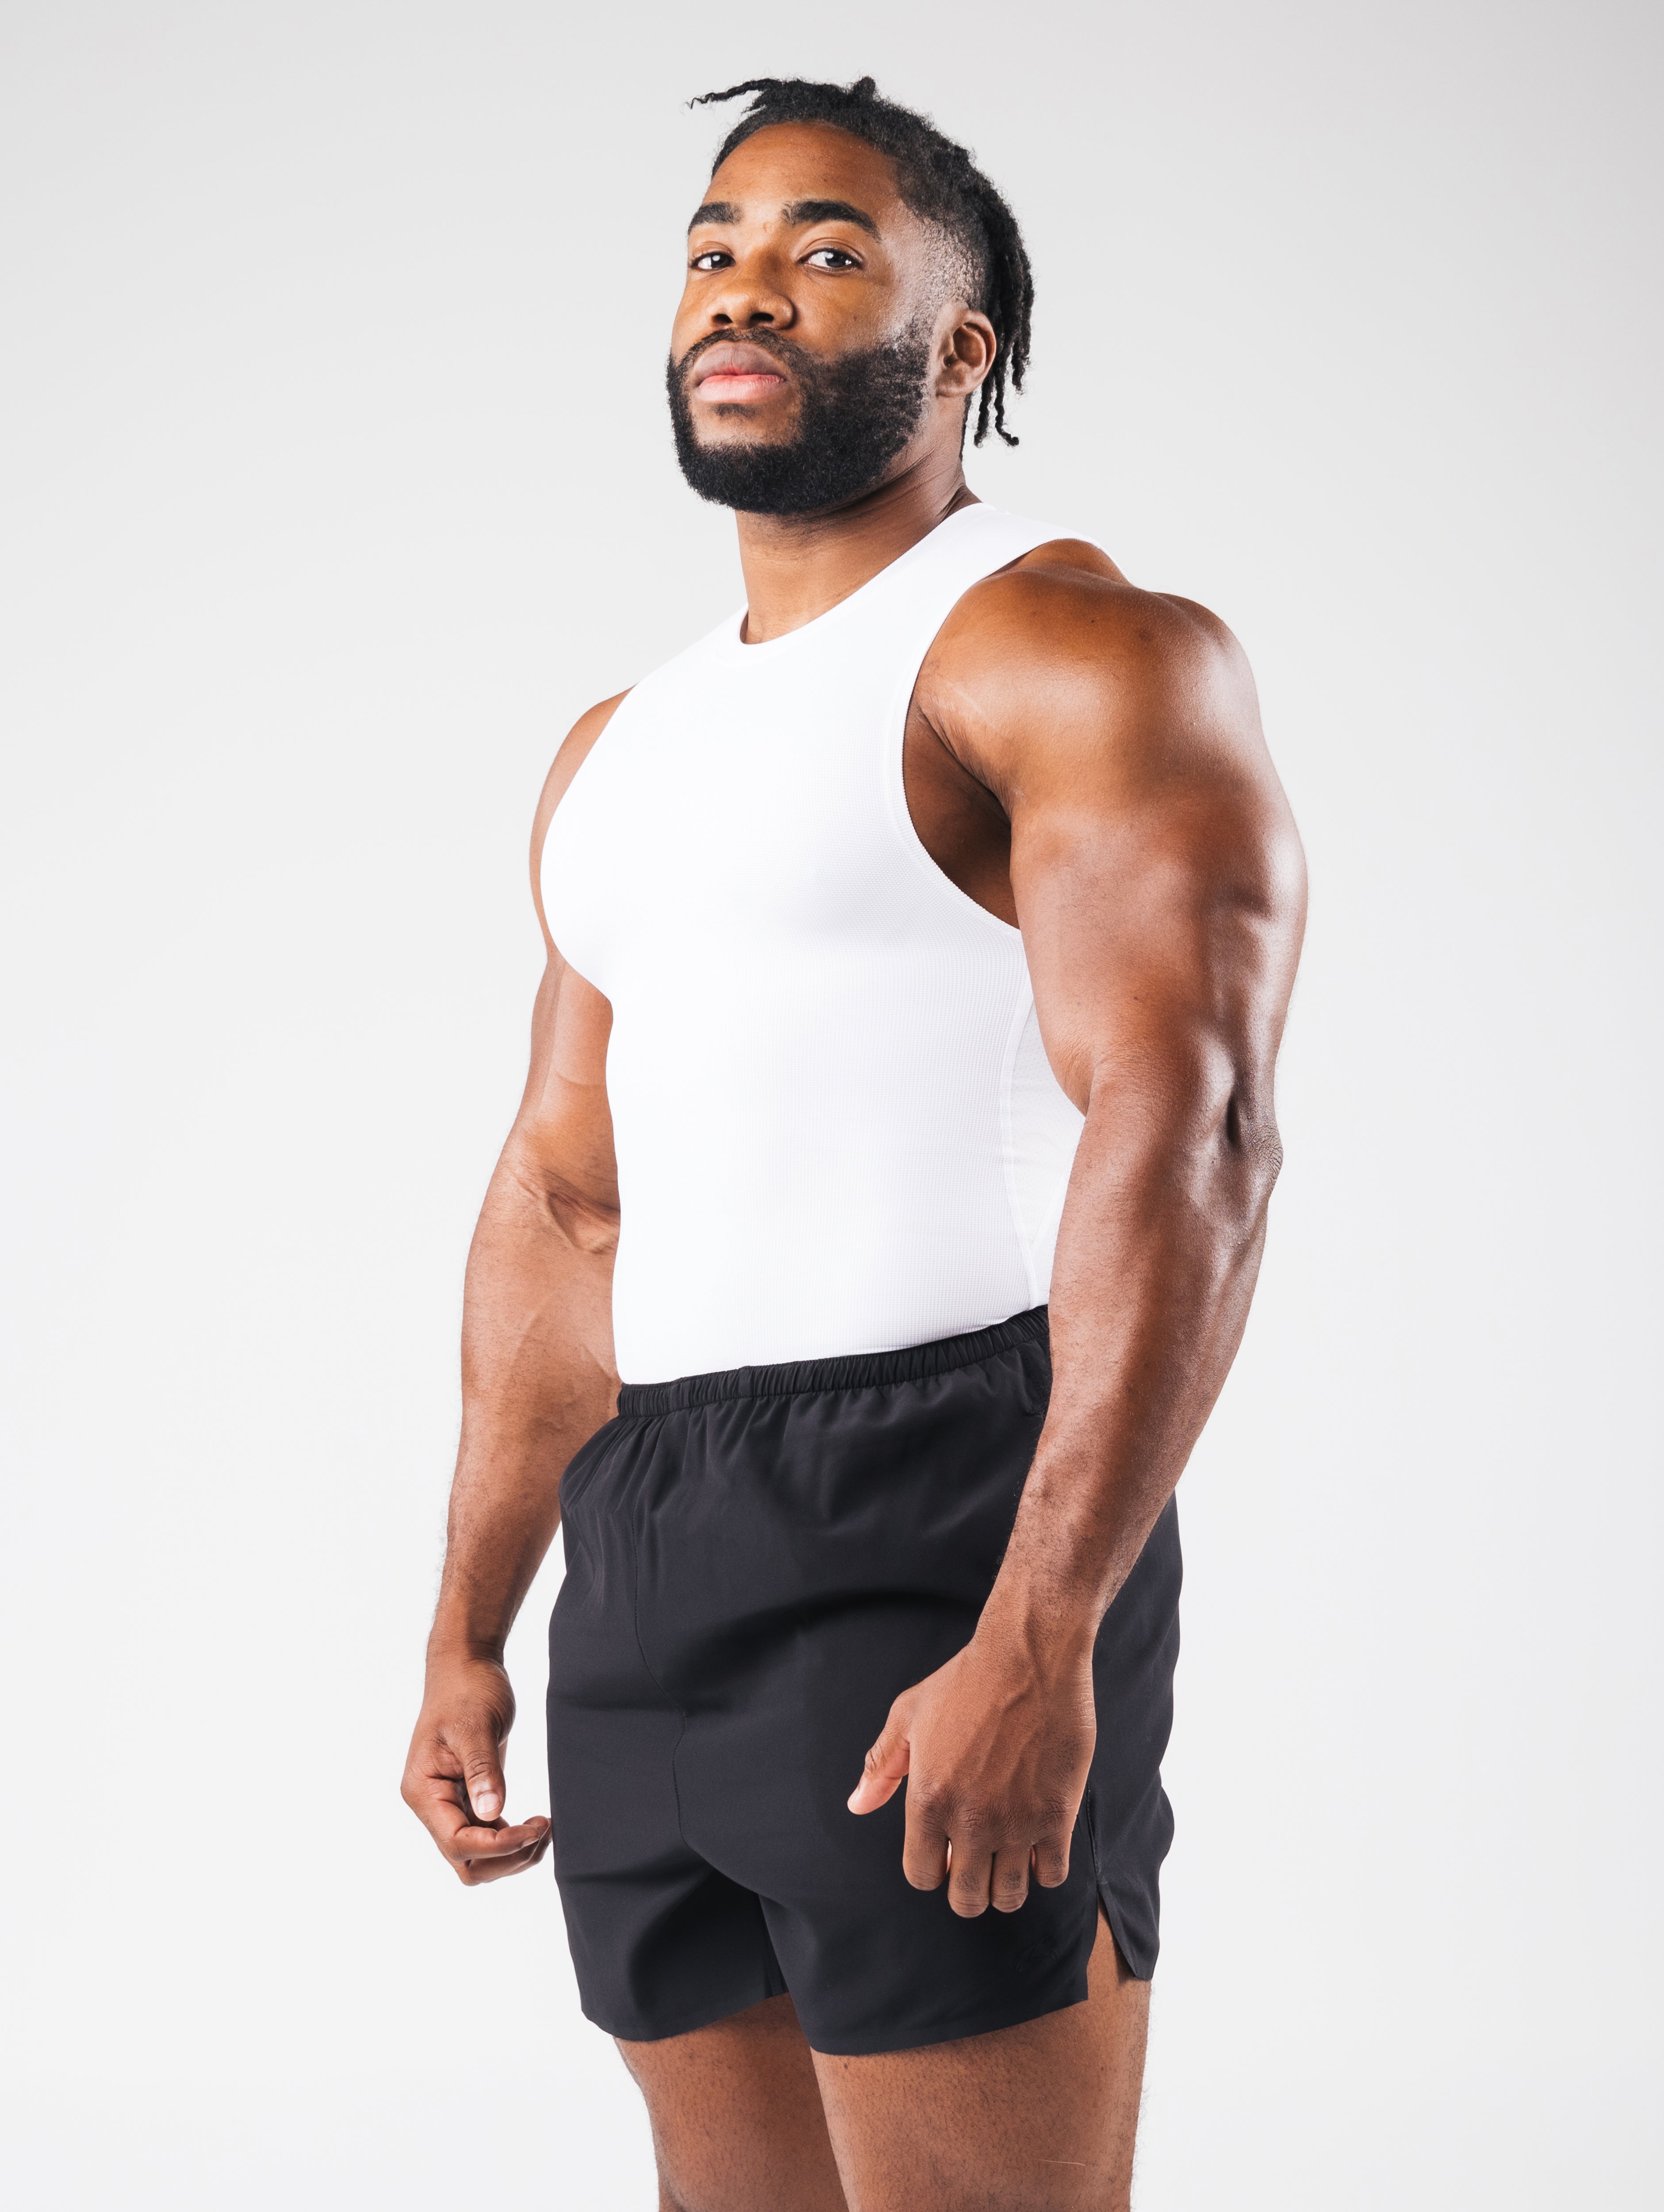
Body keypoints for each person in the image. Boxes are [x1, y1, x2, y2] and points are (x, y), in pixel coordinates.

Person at [401, 73, 1306, 2212]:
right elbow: (567, 1199)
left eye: (826, 251)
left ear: (958, 345)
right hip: (652, 1527)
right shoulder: (617, 747)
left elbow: (1190, 1122)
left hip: (942, 1502)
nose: (747, 288)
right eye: (713, 250)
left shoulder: (1074, 650)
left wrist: (1044, 1627)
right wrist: (470, 1614)